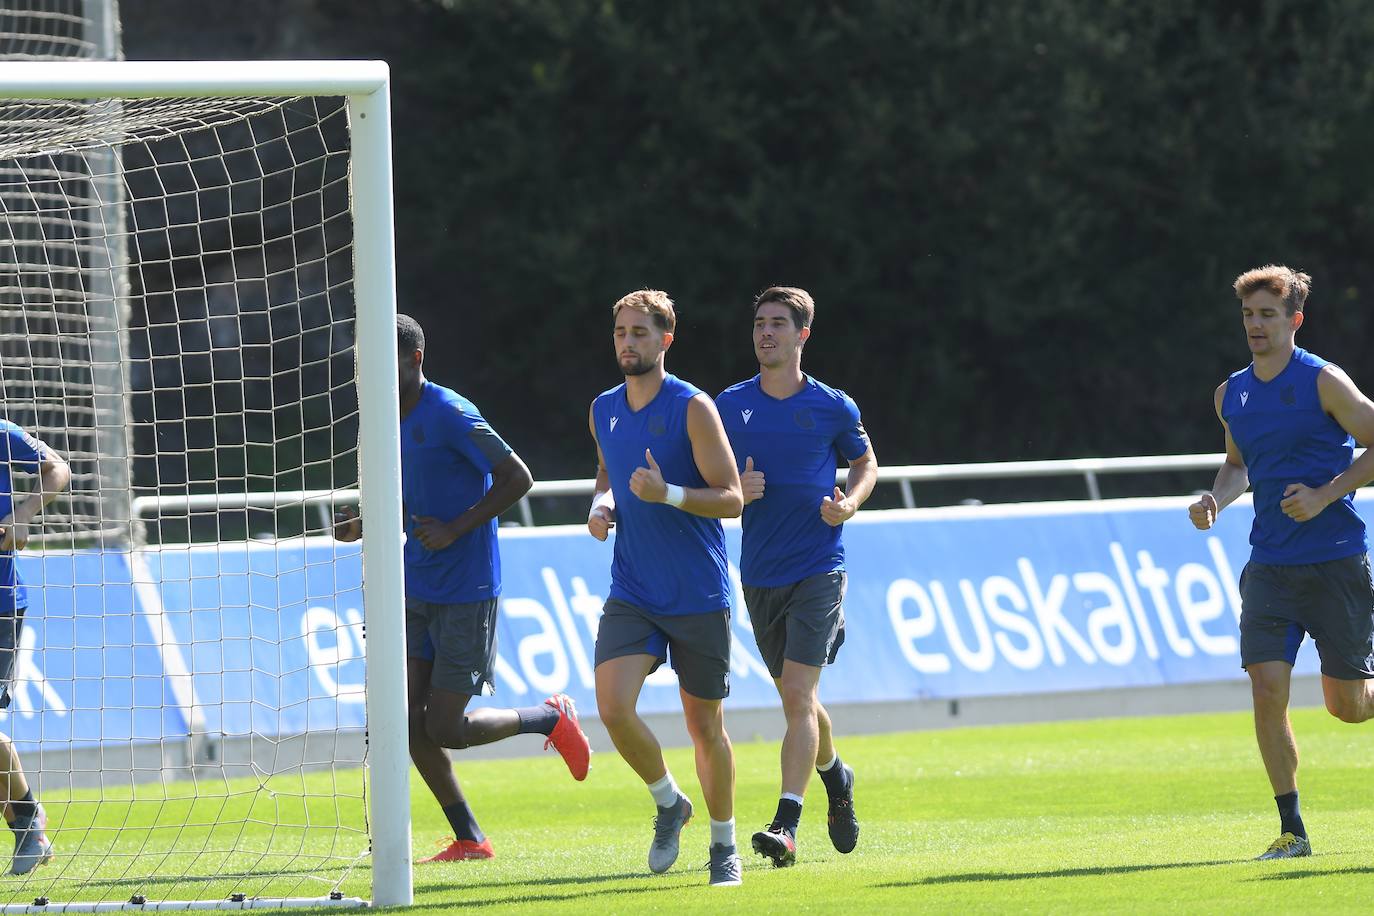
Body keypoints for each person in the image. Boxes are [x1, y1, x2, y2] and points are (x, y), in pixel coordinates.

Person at [335, 313, 589, 863]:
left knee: (444, 727)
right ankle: (470, 838)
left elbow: (518, 477)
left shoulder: (449, 412)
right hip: (415, 584)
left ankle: (548, 718)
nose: (371, 371)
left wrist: (455, 528)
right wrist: (367, 522)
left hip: (467, 589)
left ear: (415, 359)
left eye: (385, 359)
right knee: (407, 724)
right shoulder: (383, 419)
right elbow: (412, 498)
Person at [1189, 265, 1374, 861]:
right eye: (1248, 315)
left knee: (1348, 708)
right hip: (1268, 565)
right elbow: (1238, 464)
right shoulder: (1231, 394)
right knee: (1267, 691)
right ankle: (1293, 832)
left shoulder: (1324, 382)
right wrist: (1216, 497)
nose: (1255, 326)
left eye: (1268, 315)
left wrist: (1326, 493)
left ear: (1295, 320)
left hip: (1336, 562)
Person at [587, 289, 745, 887]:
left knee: (705, 728)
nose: (628, 343)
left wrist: (668, 494)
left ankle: (723, 844)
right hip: (633, 588)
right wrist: (603, 505)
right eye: (621, 333)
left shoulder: (692, 407)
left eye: (639, 334)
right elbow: (607, 474)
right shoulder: (603, 407)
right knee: (611, 706)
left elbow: (731, 496)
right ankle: (668, 801)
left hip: (697, 593)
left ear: (665, 340)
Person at [715, 287, 875, 867]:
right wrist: (735, 487)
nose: (766, 333)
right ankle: (836, 775)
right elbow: (706, 471)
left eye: (779, 324)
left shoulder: (834, 406)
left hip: (819, 567)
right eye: (759, 323)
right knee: (795, 697)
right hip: (760, 572)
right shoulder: (727, 406)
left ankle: (785, 824)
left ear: (802, 334)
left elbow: (865, 463)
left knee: (800, 693)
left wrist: (850, 503)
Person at [0, 419, 70, 875]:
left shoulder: (2, 432)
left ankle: (28, 822)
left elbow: (58, 469)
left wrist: (21, 514)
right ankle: (26, 824)